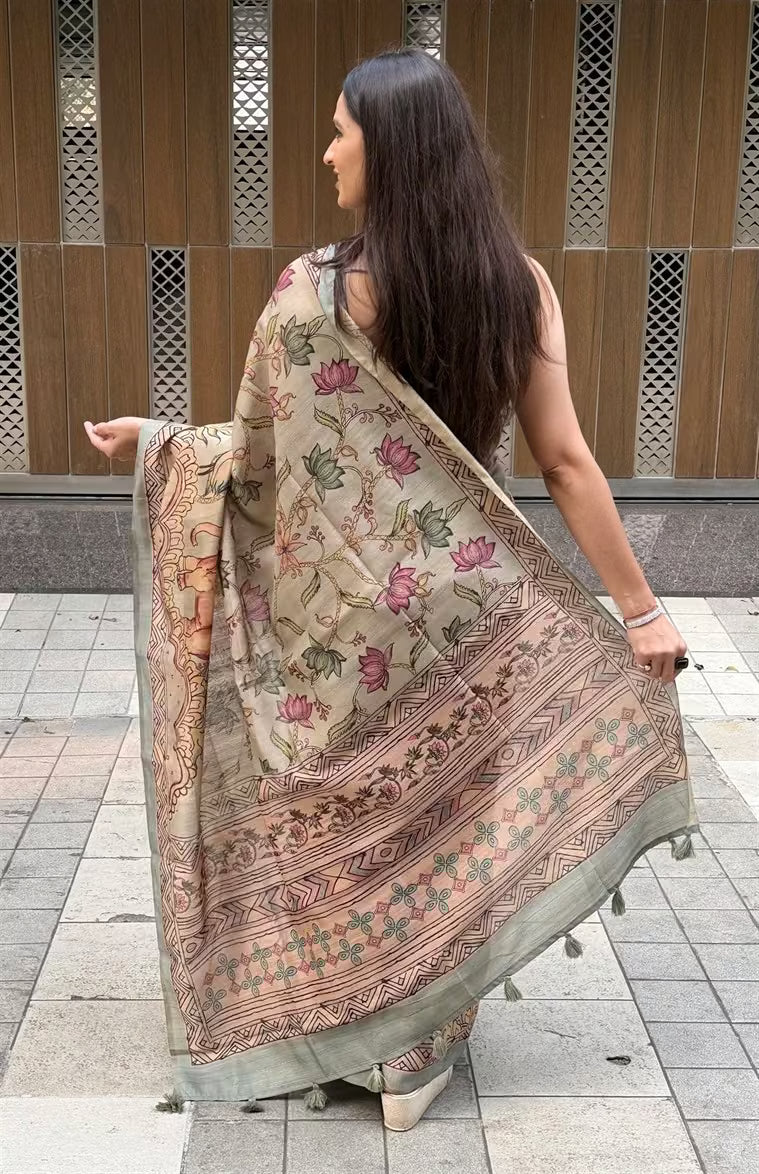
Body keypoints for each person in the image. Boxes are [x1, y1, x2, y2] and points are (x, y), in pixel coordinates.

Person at [85, 48, 693, 1131]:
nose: (325, 153)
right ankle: (417, 1055)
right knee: (449, 821)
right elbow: (565, 464)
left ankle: (361, 1033)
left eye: (338, 133)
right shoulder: (518, 282)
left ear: (390, 151)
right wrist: (638, 612)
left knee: (348, 816)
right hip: (475, 606)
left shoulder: (310, 297)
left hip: (345, 621)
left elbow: (269, 467)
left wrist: (164, 447)